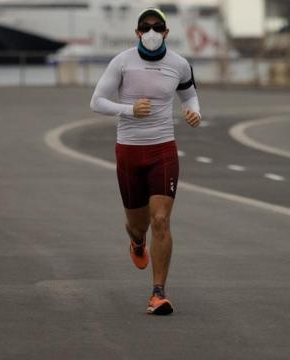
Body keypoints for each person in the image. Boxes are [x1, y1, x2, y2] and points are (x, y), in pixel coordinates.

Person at [90, 7, 201, 315]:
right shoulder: (122, 62)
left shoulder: (178, 64)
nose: (151, 32)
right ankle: (138, 242)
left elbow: (189, 96)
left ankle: (158, 293)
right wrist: (128, 110)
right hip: (128, 151)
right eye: (146, 26)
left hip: (163, 150)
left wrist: (195, 112)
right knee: (138, 226)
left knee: (161, 221)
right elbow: (96, 101)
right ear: (137, 32)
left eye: (157, 26)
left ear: (166, 32)